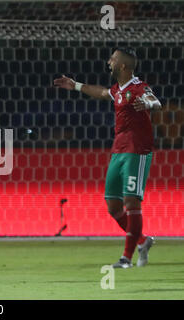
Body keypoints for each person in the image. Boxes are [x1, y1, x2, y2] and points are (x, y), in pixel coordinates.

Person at [53, 48, 161, 268]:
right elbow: (102, 93)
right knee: (113, 206)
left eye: (113, 59)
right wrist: (76, 85)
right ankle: (143, 240)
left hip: (137, 151)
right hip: (118, 151)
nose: (109, 61)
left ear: (123, 65)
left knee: (131, 202)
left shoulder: (139, 87)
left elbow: (155, 101)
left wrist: (148, 104)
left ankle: (126, 258)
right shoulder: (118, 90)